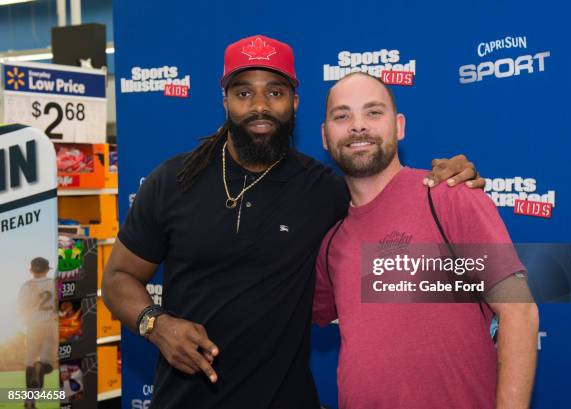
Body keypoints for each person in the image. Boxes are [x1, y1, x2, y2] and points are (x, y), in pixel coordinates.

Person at [102, 35, 485, 409]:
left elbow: (387, 199)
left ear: (295, 103)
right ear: (225, 102)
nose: (259, 106)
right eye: (243, 93)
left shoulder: (325, 192)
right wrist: (155, 324)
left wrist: (451, 180)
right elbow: (117, 278)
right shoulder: (173, 180)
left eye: (275, 92)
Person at [313, 72, 539, 409]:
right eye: (342, 116)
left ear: (399, 126)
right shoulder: (332, 243)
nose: (358, 126)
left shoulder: (449, 198)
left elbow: (519, 313)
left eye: (373, 113)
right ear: (325, 136)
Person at [16, 257, 58, 409]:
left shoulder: (27, 285)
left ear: (31, 270)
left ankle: (29, 402)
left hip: (33, 325)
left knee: (30, 362)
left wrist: (25, 325)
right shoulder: (54, 283)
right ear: (47, 270)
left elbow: (20, 308)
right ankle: (41, 367)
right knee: (47, 364)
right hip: (51, 325)